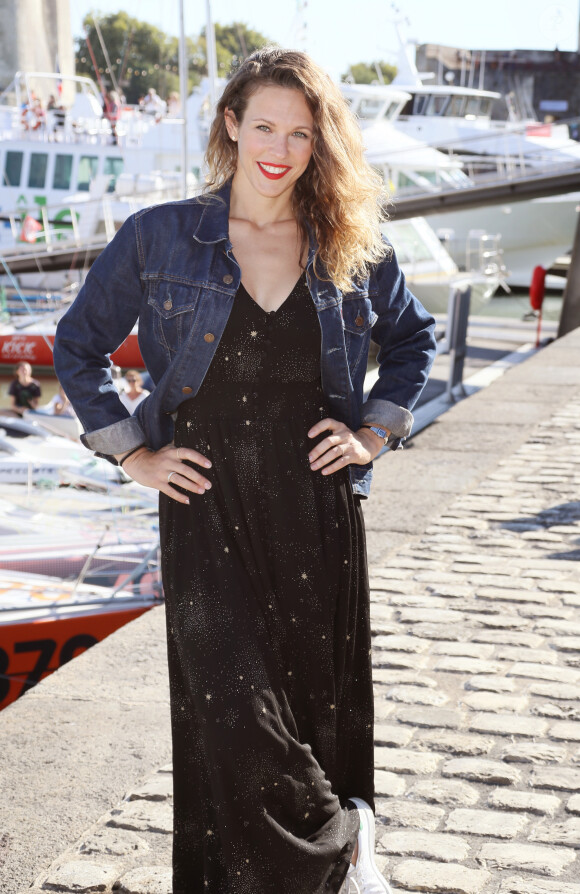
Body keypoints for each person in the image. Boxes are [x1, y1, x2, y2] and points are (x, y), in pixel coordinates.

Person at [54, 47, 436, 894]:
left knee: (305, 704)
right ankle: (341, 849)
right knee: (230, 708)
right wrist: (132, 453)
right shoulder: (160, 236)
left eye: (301, 132)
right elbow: (75, 347)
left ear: (320, 143)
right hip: (204, 502)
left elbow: (414, 341)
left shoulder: (351, 241)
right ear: (231, 125)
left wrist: (373, 435)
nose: (280, 147)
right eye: (264, 124)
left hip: (315, 503)